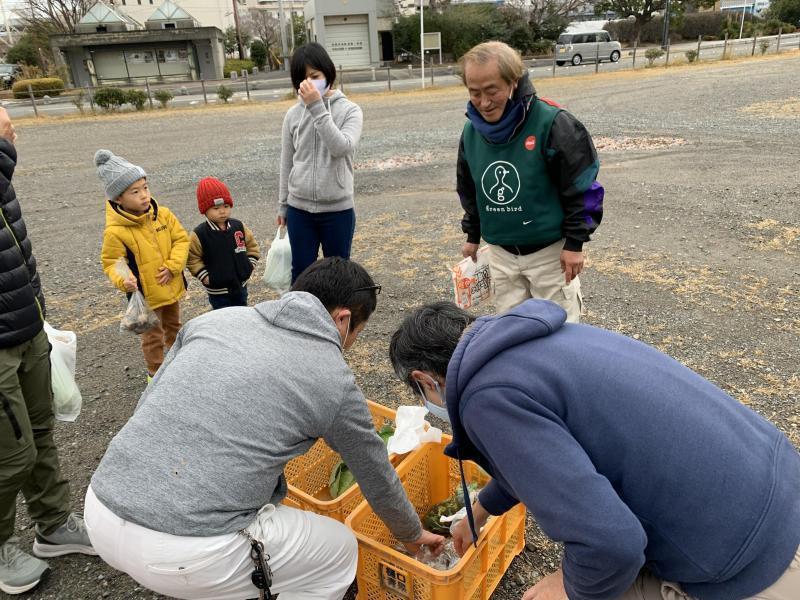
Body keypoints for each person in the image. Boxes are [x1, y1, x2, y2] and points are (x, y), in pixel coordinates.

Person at [84, 257, 444, 600]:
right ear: (343, 319)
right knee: (339, 550)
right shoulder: (332, 379)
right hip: (189, 551)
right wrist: (413, 536)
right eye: (356, 334)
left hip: (100, 508)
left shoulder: (215, 322)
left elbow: (151, 399)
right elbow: (376, 473)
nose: (349, 346)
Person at [389, 299, 800, 600]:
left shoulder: (485, 398)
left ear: (426, 380)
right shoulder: (533, 341)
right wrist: (483, 506)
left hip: (748, 562)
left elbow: (612, 545)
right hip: (779, 486)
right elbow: (551, 449)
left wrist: (568, 585)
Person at [0, 107, 95, 596]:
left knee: (40, 434)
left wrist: (37, 309)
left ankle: (53, 524)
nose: (9, 121)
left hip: (23, 324)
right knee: (9, 455)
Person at [456, 41, 604, 321]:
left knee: (561, 330)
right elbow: (470, 187)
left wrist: (575, 244)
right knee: (512, 331)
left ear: (513, 81)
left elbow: (582, 187)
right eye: (474, 93)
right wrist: (472, 236)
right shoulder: (471, 131)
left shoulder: (553, 122)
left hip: (550, 255)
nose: (484, 103)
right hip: (501, 255)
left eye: (492, 91)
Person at [97, 149, 190, 379]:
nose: (144, 195)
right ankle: (156, 375)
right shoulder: (116, 231)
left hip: (170, 286)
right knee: (152, 337)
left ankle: (180, 366)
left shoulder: (163, 215)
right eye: (135, 191)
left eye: (145, 188)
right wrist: (123, 279)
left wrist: (173, 266)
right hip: (146, 297)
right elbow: (113, 261)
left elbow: (181, 240)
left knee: (175, 327)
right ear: (118, 198)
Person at [277, 42, 363, 283]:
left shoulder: (350, 111)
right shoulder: (292, 115)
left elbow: (341, 147)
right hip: (299, 210)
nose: (310, 83)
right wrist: (283, 205)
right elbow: (287, 161)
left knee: (338, 275)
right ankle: (301, 319)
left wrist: (316, 106)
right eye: (303, 79)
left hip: (338, 209)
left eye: (315, 76)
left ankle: (335, 321)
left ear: (328, 73)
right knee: (301, 274)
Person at [187, 177, 260, 310]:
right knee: (222, 318)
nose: (222, 211)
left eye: (226, 206)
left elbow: (252, 246)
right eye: (216, 208)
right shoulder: (199, 234)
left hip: (241, 285)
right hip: (218, 290)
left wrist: (249, 265)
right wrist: (205, 277)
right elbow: (192, 258)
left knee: (242, 312)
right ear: (205, 210)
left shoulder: (238, 226)